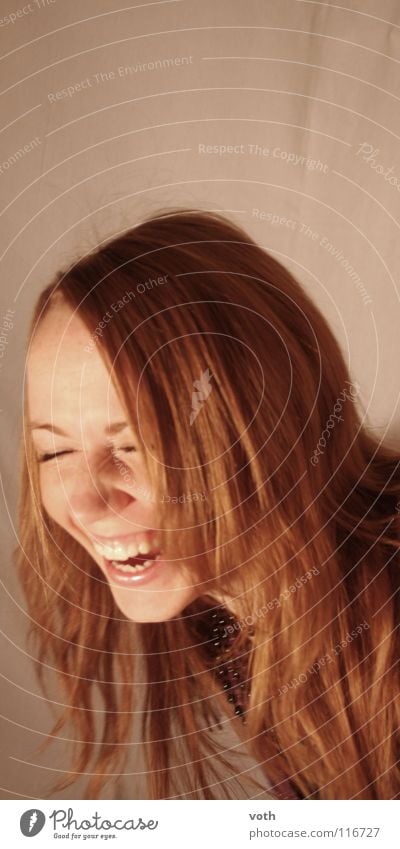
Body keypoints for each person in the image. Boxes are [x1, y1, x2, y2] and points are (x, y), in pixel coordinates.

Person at [16, 208, 400, 800]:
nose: (88, 503)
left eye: (136, 444)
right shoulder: (228, 613)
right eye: (54, 452)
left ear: (268, 426)